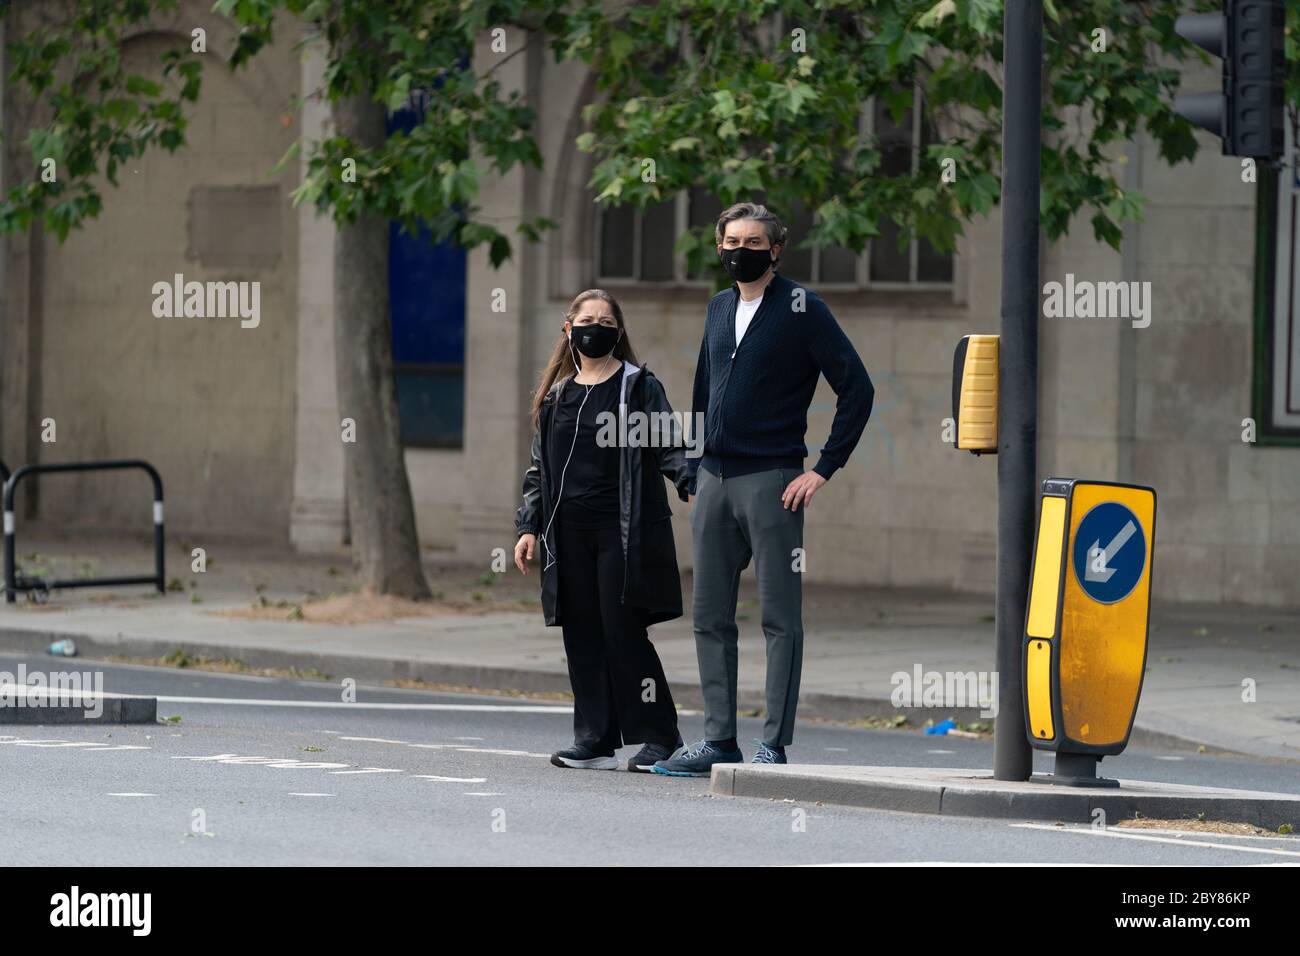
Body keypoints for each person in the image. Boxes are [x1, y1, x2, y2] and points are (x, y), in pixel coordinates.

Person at [654, 202, 874, 777]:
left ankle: (773, 742)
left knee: (779, 618)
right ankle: (717, 740)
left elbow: (857, 387)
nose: (740, 250)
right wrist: (695, 471)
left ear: (775, 249)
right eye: (731, 240)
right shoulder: (719, 307)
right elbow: (704, 392)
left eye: (753, 241)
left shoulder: (802, 308)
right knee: (709, 616)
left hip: (774, 480)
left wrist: (823, 468)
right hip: (715, 481)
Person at [514, 289, 691, 772]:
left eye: (606, 319)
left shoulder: (636, 386)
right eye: (587, 318)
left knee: (622, 630)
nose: (596, 326)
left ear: (618, 330)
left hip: (622, 528)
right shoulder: (557, 393)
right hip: (567, 531)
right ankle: (593, 737)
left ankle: (659, 735)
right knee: (582, 633)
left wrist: (688, 479)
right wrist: (529, 525)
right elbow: (539, 469)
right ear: (568, 329)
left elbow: (667, 442)